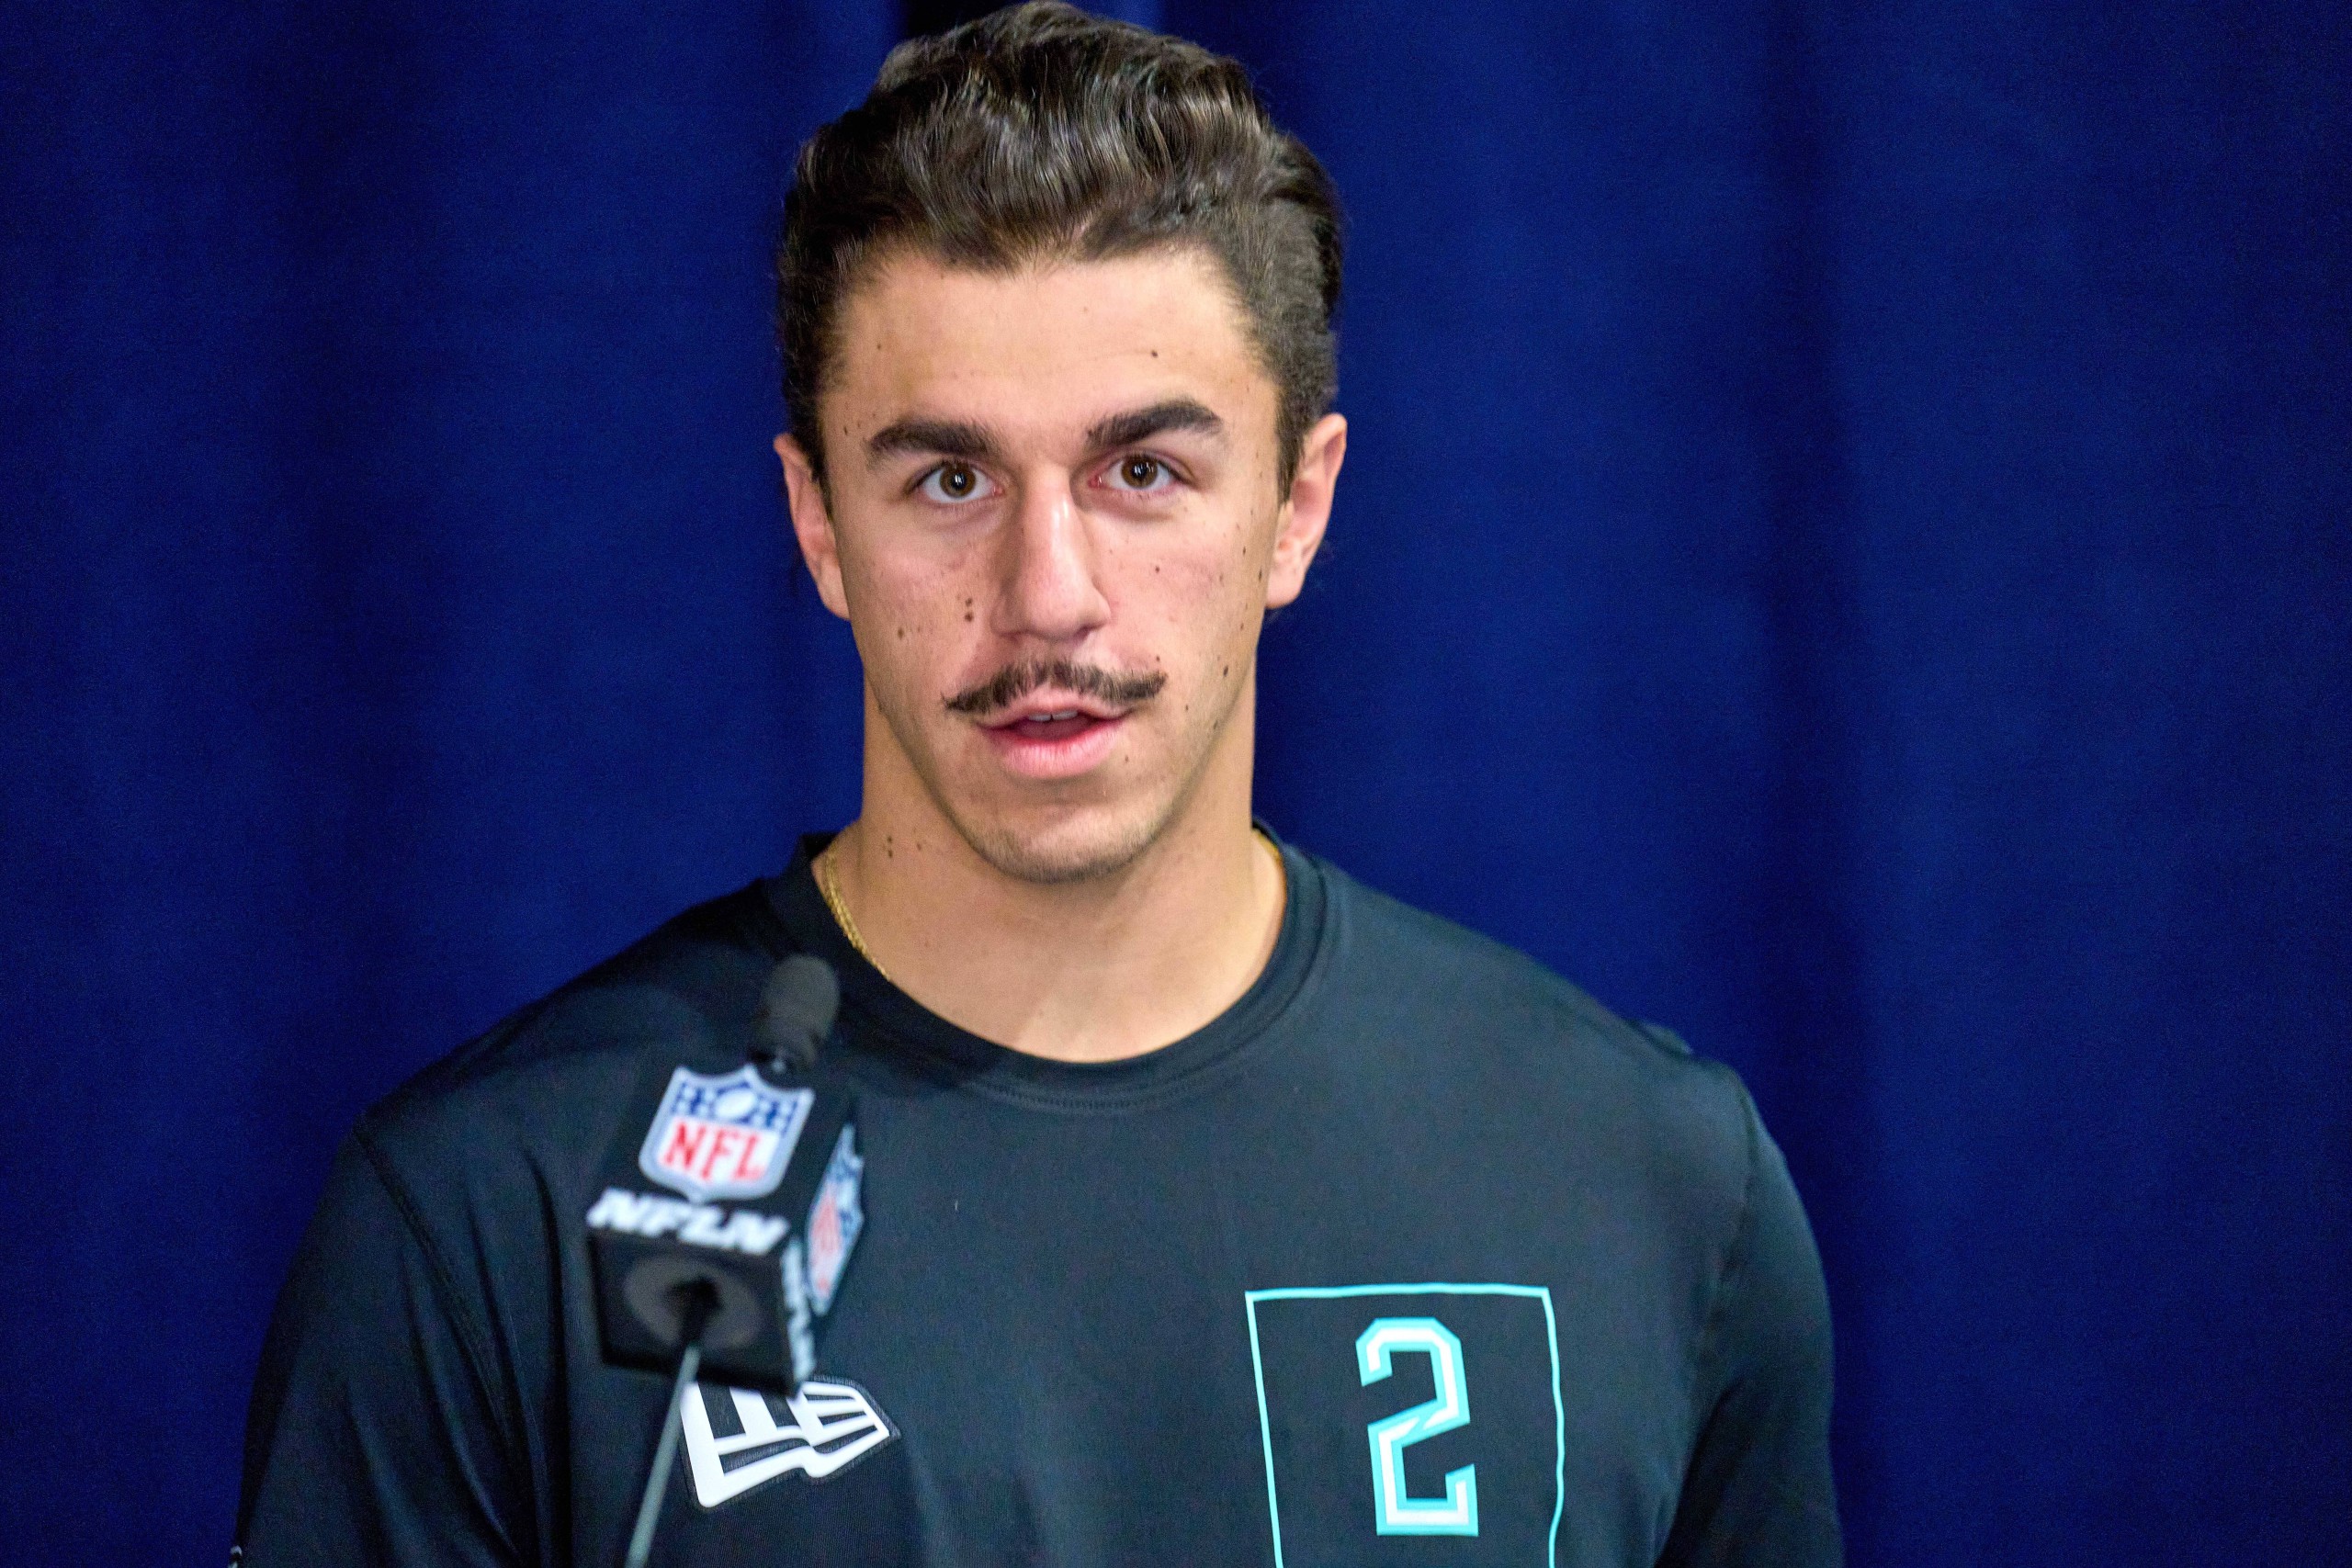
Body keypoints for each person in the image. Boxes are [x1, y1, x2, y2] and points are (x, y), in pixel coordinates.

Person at [234, 6, 1841, 1564]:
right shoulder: (486, 1218)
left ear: (1297, 505)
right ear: (817, 525)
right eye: (948, 478)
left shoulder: (1650, 1188)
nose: (1047, 591)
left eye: (1143, 471)